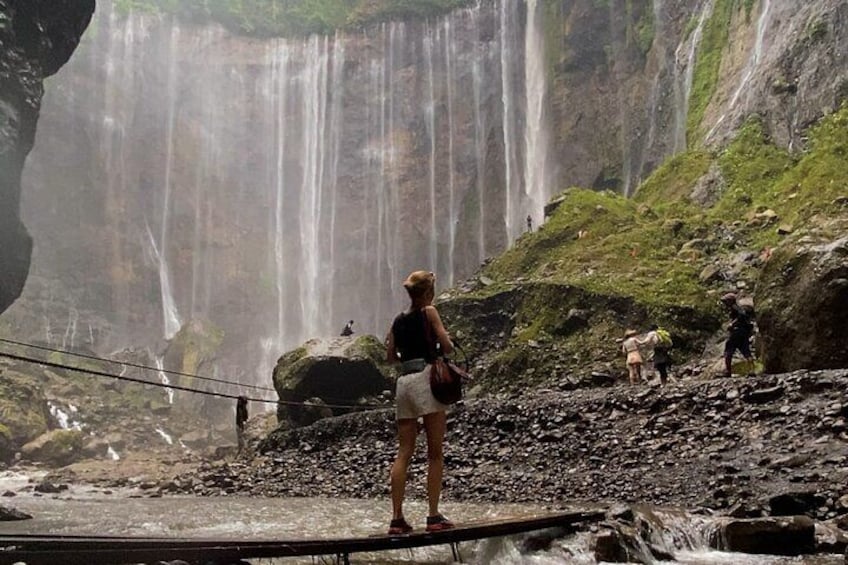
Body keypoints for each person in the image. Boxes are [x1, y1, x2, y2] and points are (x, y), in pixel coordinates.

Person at [384, 270, 455, 535]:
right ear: (427, 293)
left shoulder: (397, 321)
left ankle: (397, 519)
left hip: (404, 384)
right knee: (435, 452)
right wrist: (440, 343)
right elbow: (447, 346)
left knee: (404, 451)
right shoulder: (429, 312)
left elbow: (391, 356)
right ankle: (434, 516)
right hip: (426, 379)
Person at [721, 292, 755, 377]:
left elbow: (742, 315)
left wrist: (732, 324)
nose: (725, 304)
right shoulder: (738, 307)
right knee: (746, 351)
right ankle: (752, 371)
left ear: (730, 301)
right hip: (743, 333)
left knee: (728, 350)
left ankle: (728, 371)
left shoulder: (735, 307)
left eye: (726, 302)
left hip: (736, 333)